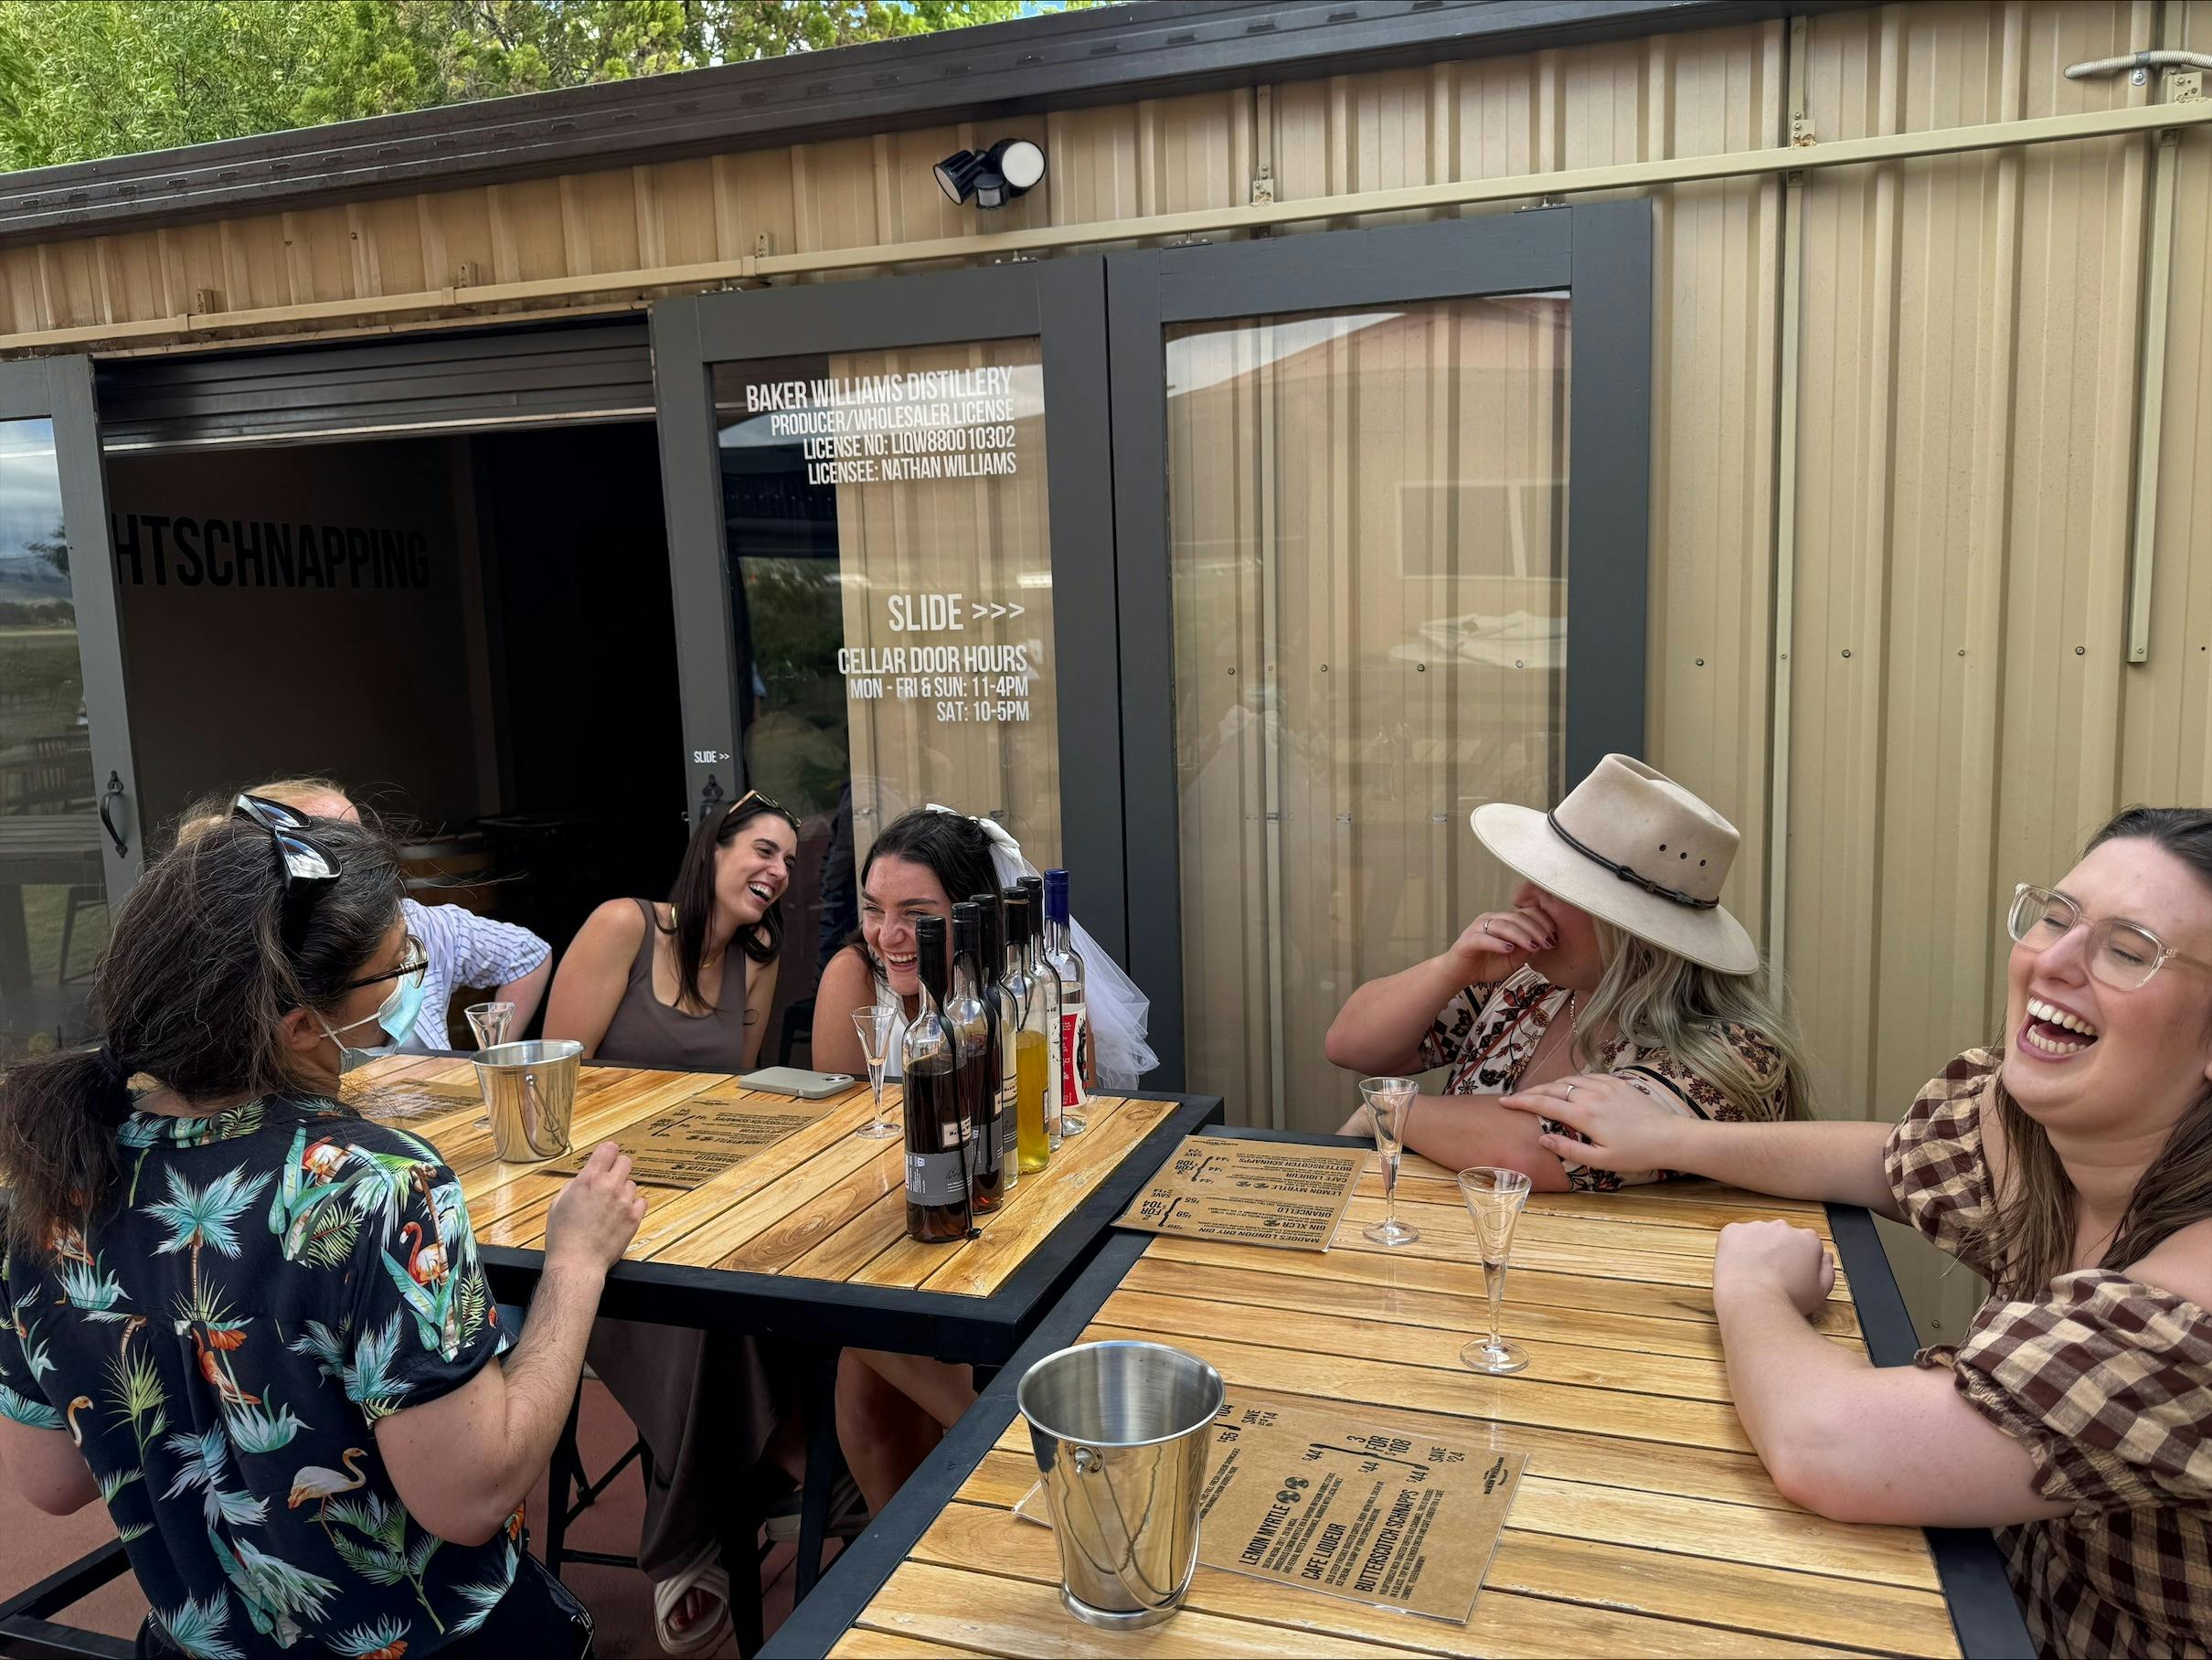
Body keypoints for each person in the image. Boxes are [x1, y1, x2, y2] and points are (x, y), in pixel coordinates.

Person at [1504, 805, 2212, 1656]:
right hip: (1982, 1608)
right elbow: (1891, 1159)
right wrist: (1674, 1141)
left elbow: (1828, 1444)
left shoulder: (2188, 1313)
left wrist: (1755, 1289)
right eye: (2057, 917)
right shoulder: (2044, 1136)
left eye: (2129, 950)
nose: (2053, 962)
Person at [0, 801, 644, 1659]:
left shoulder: (54, 1176)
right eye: (394, 968)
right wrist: (576, 1265)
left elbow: (51, 1479)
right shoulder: (369, 1183)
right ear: (302, 1026)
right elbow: (470, 1494)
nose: (404, 989)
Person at [540, 790, 801, 1656]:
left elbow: (739, 1096)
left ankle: (692, 1509)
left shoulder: (757, 960)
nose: (778, 870)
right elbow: (556, 1086)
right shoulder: (624, 925)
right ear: (713, 850)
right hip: (597, 1198)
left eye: (790, 861)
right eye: (763, 849)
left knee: (768, 1281)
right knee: (702, 1316)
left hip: (699, 1193)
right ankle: (725, 1513)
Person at [1324, 754, 1814, 1187]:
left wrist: (1386, 1111)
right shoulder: (1531, 988)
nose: (1520, 898)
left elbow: (1536, 1150)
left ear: (1629, 930)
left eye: (1555, 889)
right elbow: (1352, 1046)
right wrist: (1452, 968)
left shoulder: (1731, 1054)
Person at [810, 808, 1001, 1512]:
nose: (887, 934)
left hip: (993, 1222)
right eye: (873, 909)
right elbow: (835, 1140)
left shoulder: (1012, 987)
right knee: (861, 1343)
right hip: (886, 1227)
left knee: (864, 1350)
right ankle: (996, 1439)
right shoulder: (854, 978)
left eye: (915, 914)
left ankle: (976, 1458)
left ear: (968, 914)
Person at [176, 779, 553, 1053]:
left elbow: (527, 954)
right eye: (331, 844)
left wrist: (489, 1056)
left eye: (358, 836)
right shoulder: (238, 966)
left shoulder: (420, 923)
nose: (359, 856)